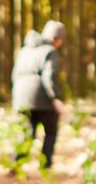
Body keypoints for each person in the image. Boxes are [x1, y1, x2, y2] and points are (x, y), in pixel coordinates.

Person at [11, 20, 66, 169]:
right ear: (57, 39)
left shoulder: (25, 49)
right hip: (42, 99)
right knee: (50, 132)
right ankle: (45, 166)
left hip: (21, 98)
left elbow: (15, 74)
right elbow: (49, 76)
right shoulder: (50, 51)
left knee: (26, 133)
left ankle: (16, 164)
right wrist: (56, 99)